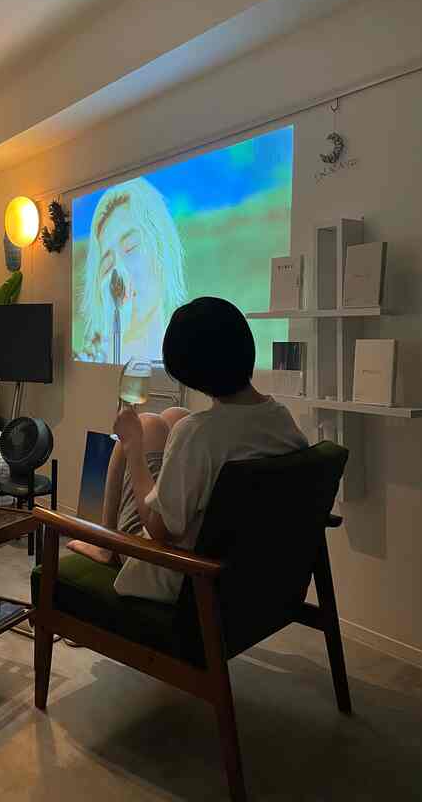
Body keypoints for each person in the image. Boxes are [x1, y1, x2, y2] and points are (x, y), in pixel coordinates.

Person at [68, 297, 308, 602]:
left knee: (142, 427)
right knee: (172, 417)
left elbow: (158, 530)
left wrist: (133, 447)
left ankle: (106, 545)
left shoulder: (200, 435)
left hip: (179, 572)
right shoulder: (281, 419)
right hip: (246, 572)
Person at [77, 177, 186, 362]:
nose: (119, 271)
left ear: (161, 247)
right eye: (107, 266)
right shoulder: (90, 361)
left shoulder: (191, 361)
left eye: (131, 247)